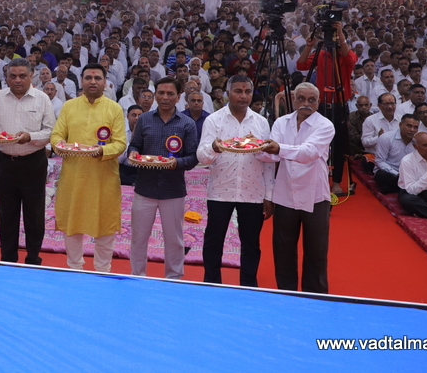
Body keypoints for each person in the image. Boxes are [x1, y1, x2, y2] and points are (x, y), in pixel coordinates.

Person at [197, 75, 273, 286]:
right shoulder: (214, 120)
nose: (243, 96)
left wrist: (269, 195)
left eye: (247, 91)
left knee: (251, 244)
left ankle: (248, 287)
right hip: (221, 190)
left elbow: (269, 163)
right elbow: (202, 157)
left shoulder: (261, 122)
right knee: (214, 241)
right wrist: (214, 147)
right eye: (238, 91)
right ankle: (211, 284)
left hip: (253, 191)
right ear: (228, 93)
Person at [49, 63, 126, 272]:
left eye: (97, 78)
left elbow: (120, 143)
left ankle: (103, 269)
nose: (93, 82)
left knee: (105, 223)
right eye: (88, 78)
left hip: (103, 176)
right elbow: (56, 135)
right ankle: (75, 267)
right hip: (74, 175)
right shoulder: (69, 106)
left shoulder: (114, 108)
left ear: (105, 82)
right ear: (81, 81)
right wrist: (59, 144)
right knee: (72, 222)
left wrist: (101, 151)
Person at [261, 83, 335, 293]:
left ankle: (315, 296)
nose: (306, 103)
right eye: (301, 98)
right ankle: (286, 292)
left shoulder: (325, 125)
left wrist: (277, 148)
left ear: (318, 102)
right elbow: (271, 155)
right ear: (293, 100)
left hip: (315, 195)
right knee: (283, 247)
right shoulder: (281, 122)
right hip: (285, 192)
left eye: (311, 100)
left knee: (316, 250)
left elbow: (308, 152)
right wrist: (255, 148)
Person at [0, 58, 56, 265]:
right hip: (5, 163)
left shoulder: (42, 99)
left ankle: (33, 258)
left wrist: (30, 137)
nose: (17, 80)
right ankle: (8, 259)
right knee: (6, 213)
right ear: (6, 77)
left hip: (33, 163)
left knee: (34, 214)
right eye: (12, 76)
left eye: (22, 76)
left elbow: (50, 131)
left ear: (31, 76)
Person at [125, 77, 199, 279]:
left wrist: (177, 163)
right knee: (139, 238)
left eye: (170, 93)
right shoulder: (144, 119)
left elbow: (193, 157)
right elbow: (135, 145)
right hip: (145, 188)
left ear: (178, 97)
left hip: (173, 189)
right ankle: (137, 276)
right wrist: (133, 153)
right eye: (161, 93)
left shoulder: (187, 123)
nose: (165, 97)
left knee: (175, 240)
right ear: (155, 95)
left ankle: (174, 278)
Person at [295, 21, 357, 196]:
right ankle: (314, 179)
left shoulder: (346, 55)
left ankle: (336, 181)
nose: (334, 39)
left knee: (338, 145)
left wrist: (341, 35)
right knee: (316, 142)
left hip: (339, 105)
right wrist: (309, 46)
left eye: (337, 36)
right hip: (321, 105)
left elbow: (351, 59)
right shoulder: (321, 53)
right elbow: (301, 65)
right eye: (333, 36)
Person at [373, 114, 420, 194]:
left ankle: (396, 189)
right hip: (391, 172)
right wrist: (398, 174)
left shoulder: (418, 140)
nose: (412, 130)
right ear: (400, 125)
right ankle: (406, 189)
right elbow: (379, 161)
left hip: (409, 173)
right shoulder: (386, 138)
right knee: (382, 175)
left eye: (415, 127)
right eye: (409, 126)